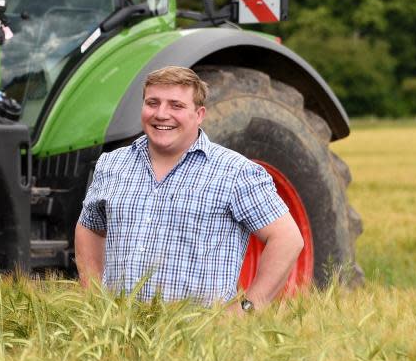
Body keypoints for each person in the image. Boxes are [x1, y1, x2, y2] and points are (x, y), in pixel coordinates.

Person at [74, 66, 304, 310]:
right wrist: (95, 297)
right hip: (121, 335)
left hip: (198, 339)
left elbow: (287, 238)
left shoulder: (234, 171)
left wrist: (248, 309)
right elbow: (89, 228)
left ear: (199, 114)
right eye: (153, 103)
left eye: (176, 105)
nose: (161, 114)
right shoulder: (112, 164)